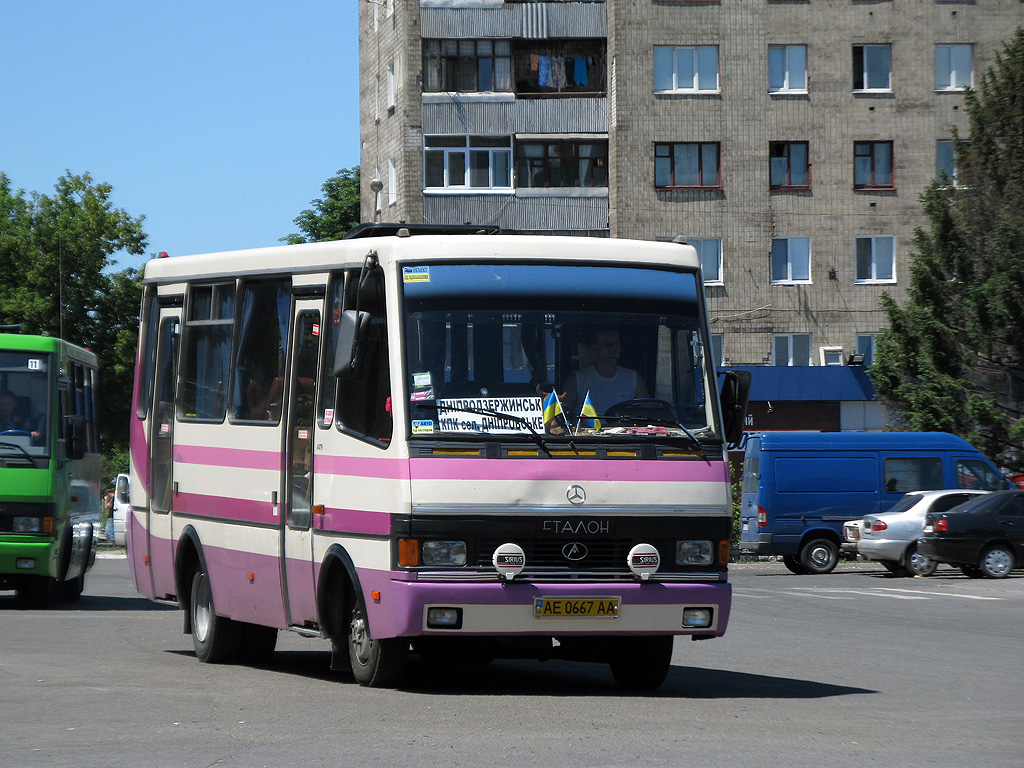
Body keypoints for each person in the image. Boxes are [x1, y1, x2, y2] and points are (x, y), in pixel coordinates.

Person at [562, 328, 649, 415]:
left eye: (616, 343)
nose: (613, 347)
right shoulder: (577, 379)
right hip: (589, 428)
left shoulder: (634, 378)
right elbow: (564, 412)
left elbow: (649, 410)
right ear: (594, 349)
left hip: (624, 428)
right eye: (607, 343)